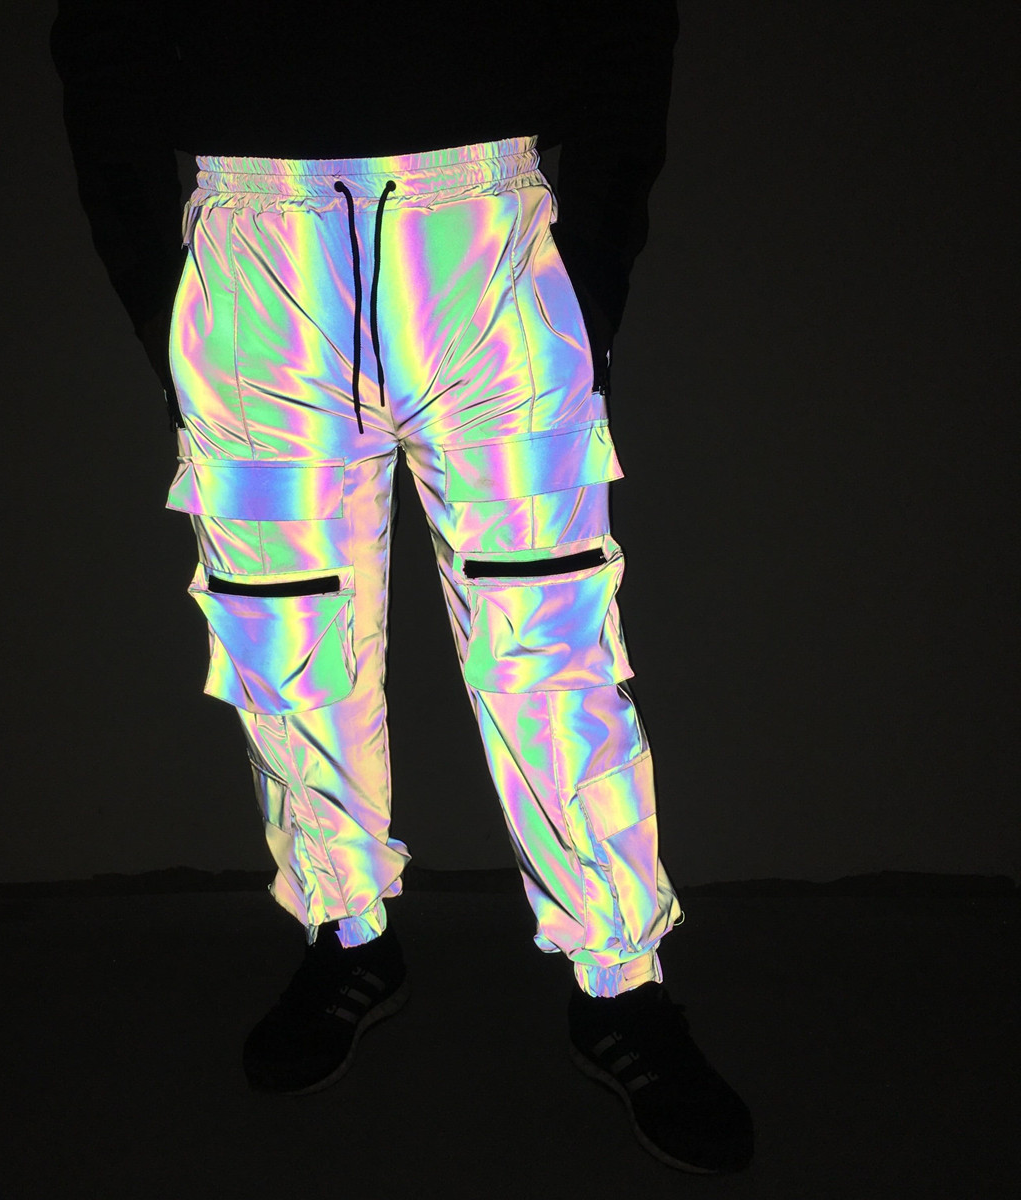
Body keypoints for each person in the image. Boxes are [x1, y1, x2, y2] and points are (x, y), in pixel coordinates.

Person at [51, 0, 753, 1174]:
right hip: (252, 242)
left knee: (552, 646)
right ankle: (347, 932)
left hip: (482, 227)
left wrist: (593, 268)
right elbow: (103, 38)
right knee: (284, 644)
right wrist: (151, 287)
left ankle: (622, 982)